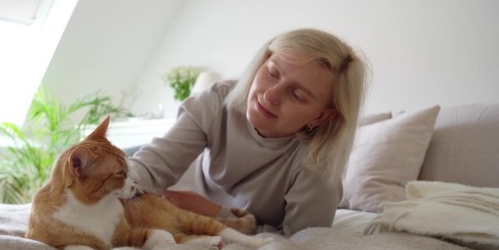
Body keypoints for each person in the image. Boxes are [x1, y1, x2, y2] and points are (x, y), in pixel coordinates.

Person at [128, 28, 369, 236]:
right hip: (173, 198)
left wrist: (218, 215)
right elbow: (152, 166)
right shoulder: (217, 101)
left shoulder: (318, 169)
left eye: (297, 94)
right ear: (263, 61)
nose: (270, 95)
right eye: (272, 73)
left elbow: (301, 244)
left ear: (321, 116)